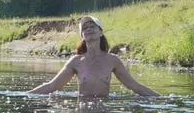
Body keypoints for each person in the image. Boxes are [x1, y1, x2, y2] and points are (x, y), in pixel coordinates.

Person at [29, 16, 160, 97]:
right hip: (83, 111)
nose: (89, 29)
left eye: (93, 26)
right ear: (82, 36)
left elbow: (135, 86)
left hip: (104, 111)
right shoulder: (76, 61)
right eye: (85, 28)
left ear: (101, 32)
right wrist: (25, 95)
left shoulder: (113, 60)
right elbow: (52, 86)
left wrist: (162, 99)